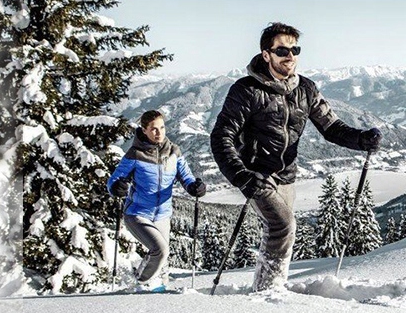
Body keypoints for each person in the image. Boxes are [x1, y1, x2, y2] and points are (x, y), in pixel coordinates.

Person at [210, 22, 380, 292]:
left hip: (287, 176)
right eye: (282, 50)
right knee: (282, 226)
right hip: (256, 175)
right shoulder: (246, 90)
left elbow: (331, 127)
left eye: (295, 49)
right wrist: (241, 176)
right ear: (266, 54)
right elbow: (221, 137)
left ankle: (267, 286)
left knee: (280, 232)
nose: (290, 55)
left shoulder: (306, 89)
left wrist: (360, 139)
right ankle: (269, 293)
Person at [107, 110, 206, 292]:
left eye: (161, 127)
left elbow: (186, 177)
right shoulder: (135, 154)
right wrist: (116, 187)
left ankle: (159, 299)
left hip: (162, 215)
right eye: (153, 129)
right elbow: (114, 180)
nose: (159, 132)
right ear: (144, 130)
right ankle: (140, 283)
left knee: (162, 263)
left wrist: (194, 187)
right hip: (137, 213)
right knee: (160, 251)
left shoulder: (174, 152)